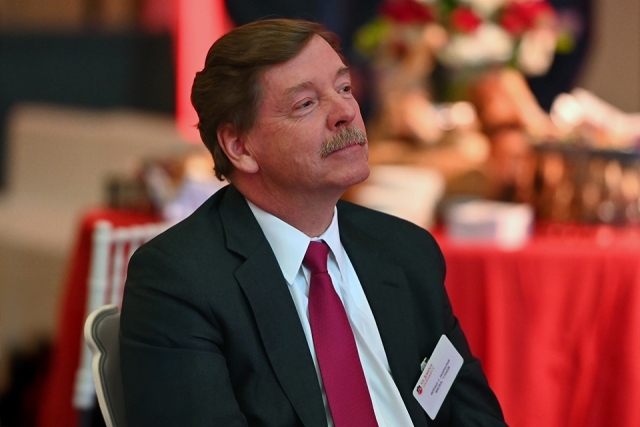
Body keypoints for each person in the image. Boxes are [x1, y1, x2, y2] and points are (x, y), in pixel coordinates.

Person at [119, 18, 507, 426]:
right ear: (240, 146)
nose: (345, 112)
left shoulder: (405, 250)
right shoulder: (180, 281)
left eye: (344, 88)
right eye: (306, 104)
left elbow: (470, 412)